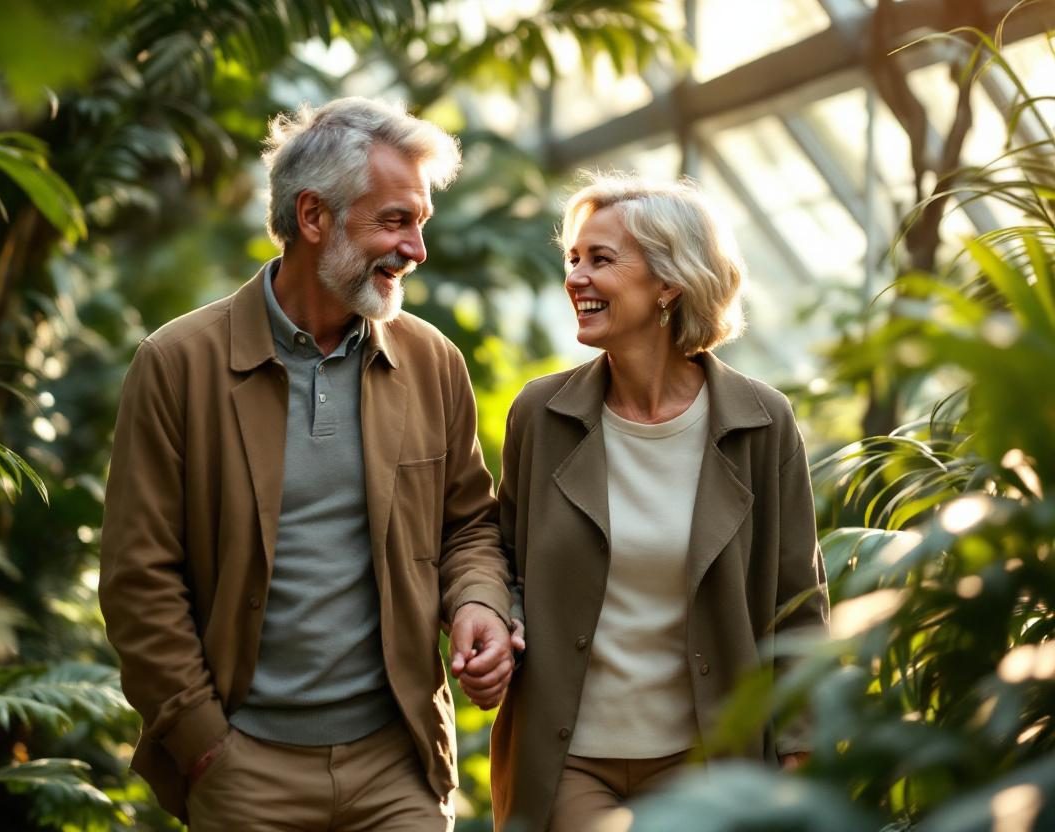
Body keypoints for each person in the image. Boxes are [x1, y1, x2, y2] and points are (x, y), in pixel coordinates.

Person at [99, 97, 516, 831]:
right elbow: (140, 578)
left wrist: (479, 601)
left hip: (399, 767)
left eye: (420, 221)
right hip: (243, 770)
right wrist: (203, 746)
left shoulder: (432, 362)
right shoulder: (177, 364)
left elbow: (468, 525)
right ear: (314, 217)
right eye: (396, 221)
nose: (417, 249)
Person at [487, 175, 830, 832]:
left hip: (709, 762)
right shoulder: (541, 414)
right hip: (567, 760)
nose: (576, 278)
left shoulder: (762, 422)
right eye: (574, 259)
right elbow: (504, 559)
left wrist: (800, 752)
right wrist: (496, 620)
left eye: (601, 259)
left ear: (669, 283)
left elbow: (799, 604)